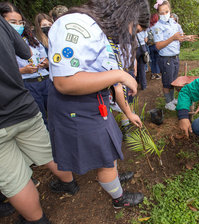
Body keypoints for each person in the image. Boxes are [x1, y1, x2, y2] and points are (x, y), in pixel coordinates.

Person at [48, 0, 150, 208]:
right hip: (77, 107)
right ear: (125, 15)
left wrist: (128, 113)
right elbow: (64, 81)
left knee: (109, 148)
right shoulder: (76, 25)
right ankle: (119, 199)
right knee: (105, 157)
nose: (131, 36)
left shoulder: (104, 34)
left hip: (97, 103)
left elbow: (113, 83)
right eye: (134, 29)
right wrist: (121, 74)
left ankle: (111, 176)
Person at [0, 10, 78, 224]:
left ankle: (36, 220)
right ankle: (70, 183)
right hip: (22, 105)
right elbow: (23, 50)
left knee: (14, 178)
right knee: (47, 151)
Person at [0, 2, 50, 127]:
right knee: (40, 120)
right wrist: (23, 70)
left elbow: (45, 57)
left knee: (56, 114)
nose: (18, 26)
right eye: (13, 22)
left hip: (45, 81)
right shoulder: (4, 44)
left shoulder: (32, 39)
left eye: (20, 22)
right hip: (28, 85)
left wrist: (45, 63)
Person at [152, 0, 197, 111]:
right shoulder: (157, 27)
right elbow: (158, 46)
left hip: (175, 57)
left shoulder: (174, 23)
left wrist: (187, 38)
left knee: (173, 81)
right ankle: (168, 102)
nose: (164, 14)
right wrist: (173, 38)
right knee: (167, 82)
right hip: (166, 58)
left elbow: (180, 37)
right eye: (161, 13)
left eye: (166, 11)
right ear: (158, 14)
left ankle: (172, 100)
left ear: (170, 10)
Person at [147, 13, 161, 80]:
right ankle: (157, 74)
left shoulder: (148, 27)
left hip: (150, 45)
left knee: (152, 60)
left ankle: (153, 74)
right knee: (157, 59)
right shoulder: (158, 26)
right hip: (157, 45)